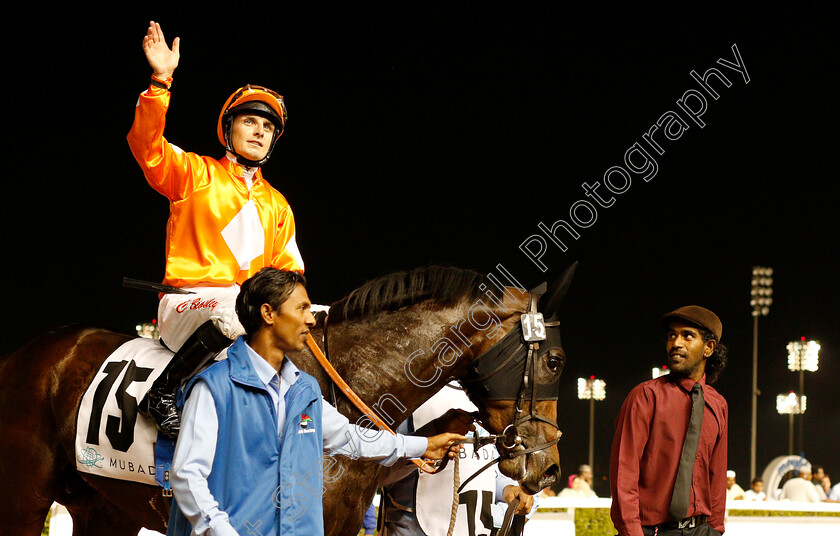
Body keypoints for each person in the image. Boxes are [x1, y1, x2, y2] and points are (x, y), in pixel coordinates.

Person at [167, 267, 466, 536]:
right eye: (302, 308)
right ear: (269, 314)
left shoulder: (305, 389)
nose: (311, 319)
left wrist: (423, 445)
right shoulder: (214, 387)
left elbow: (352, 438)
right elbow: (187, 475)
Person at [128, 21, 307, 436]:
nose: (259, 131)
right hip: (189, 304)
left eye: (267, 128)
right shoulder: (194, 173)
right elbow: (146, 148)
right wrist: (160, 81)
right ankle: (161, 394)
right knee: (234, 306)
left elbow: (291, 275)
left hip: (249, 317)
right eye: (250, 122)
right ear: (229, 129)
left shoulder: (278, 205)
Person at [610, 305, 729, 536]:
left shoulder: (718, 404)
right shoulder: (645, 396)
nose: (676, 343)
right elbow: (624, 473)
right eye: (672, 335)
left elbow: (717, 476)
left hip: (702, 530)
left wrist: (715, 530)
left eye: (687, 335)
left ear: (709, 347)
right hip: (651, 531)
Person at [380, 383, 535, 536]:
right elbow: (380, 473)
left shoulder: (486, 394)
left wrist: (506, 489)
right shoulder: (405, 393)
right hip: (412, 527)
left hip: (477, 528)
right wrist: (432, 433)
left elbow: (483, 467)